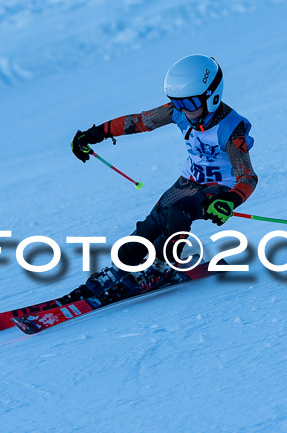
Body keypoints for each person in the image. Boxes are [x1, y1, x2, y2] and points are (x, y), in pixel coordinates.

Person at [67, 54, 258, 299]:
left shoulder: (231, 129)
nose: (182, 111)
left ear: (213, 97)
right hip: (189, 181)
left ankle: (161, 268)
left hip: (220, 188)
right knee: (149, 227)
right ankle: (119, 268)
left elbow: (248, 177)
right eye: (176, 103)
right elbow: (139, 122)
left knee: (180, 211)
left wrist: (230, 200)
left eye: (188, 104)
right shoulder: (180, 111)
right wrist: (94, 134)